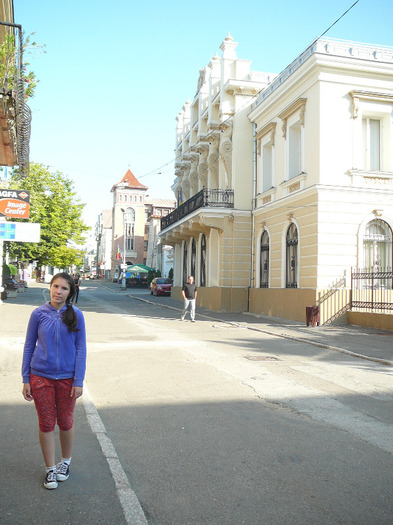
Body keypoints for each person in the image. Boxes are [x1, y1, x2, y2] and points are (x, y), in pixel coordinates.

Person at [22, 272, 87, 490]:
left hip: (68, 379)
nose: (58, 291)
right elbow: (29, 346)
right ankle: (50, 469)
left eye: (64, 288)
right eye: (55, 286)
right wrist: (25, 378)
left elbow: (81, 349)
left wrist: (78, 380)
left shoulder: (76, 315)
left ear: (70, 292)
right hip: (40, 377)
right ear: (50, 288)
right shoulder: (38, 314)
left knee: (66, 422)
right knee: (47, 423)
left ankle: (65, 463)